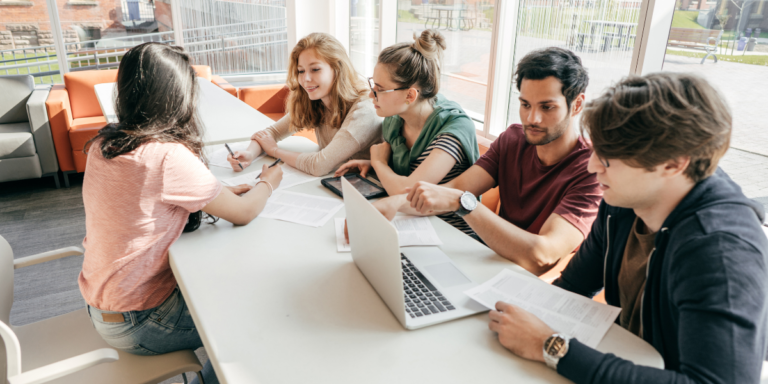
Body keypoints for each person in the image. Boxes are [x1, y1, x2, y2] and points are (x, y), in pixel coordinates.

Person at [487, 73, 768, 383]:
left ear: (674, 163)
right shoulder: (621, 203)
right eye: (596, 150)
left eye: (608, 159)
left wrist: (551, 346)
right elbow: (572, 289)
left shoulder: (722, 251)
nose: (593, 166)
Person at [79, 42, 283, 384]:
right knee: (255, 322)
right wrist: (269, 182)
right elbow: (246, 212)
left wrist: (217, 192)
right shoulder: (166, 156)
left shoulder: (104, 144)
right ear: (178, 98)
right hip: (141, 322)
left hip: (103, 306)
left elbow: (145, 199)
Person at [377, 47, 603, 274]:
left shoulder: (592, 170)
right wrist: (392, 204)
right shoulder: (513, 140)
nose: (532, 118)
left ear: (577, 105)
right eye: (525, 105)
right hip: (489, 263)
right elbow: (455, 188)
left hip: (532, 283)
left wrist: (463, 202)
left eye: (547, 107)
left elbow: (541, 255)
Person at [336, 30, 480, 238]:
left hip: (454, 236)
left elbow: (408, 192)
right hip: (412, 224)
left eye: (379, 88)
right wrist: (372, 165)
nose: (371, 94)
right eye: (372, 84)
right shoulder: (395, 120)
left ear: (410, 95)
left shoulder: (454, 128)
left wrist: (379, 164)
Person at [227, 33, 382, 177]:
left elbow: (319, 165)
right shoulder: (316, 99)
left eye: (315, 69)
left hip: (368, 188)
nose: (306, 78)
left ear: (337, 69)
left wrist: (274, 150)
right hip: (338, 182)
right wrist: (250, 154)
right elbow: (270, 133)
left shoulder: (364, 108)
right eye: (301, 71)